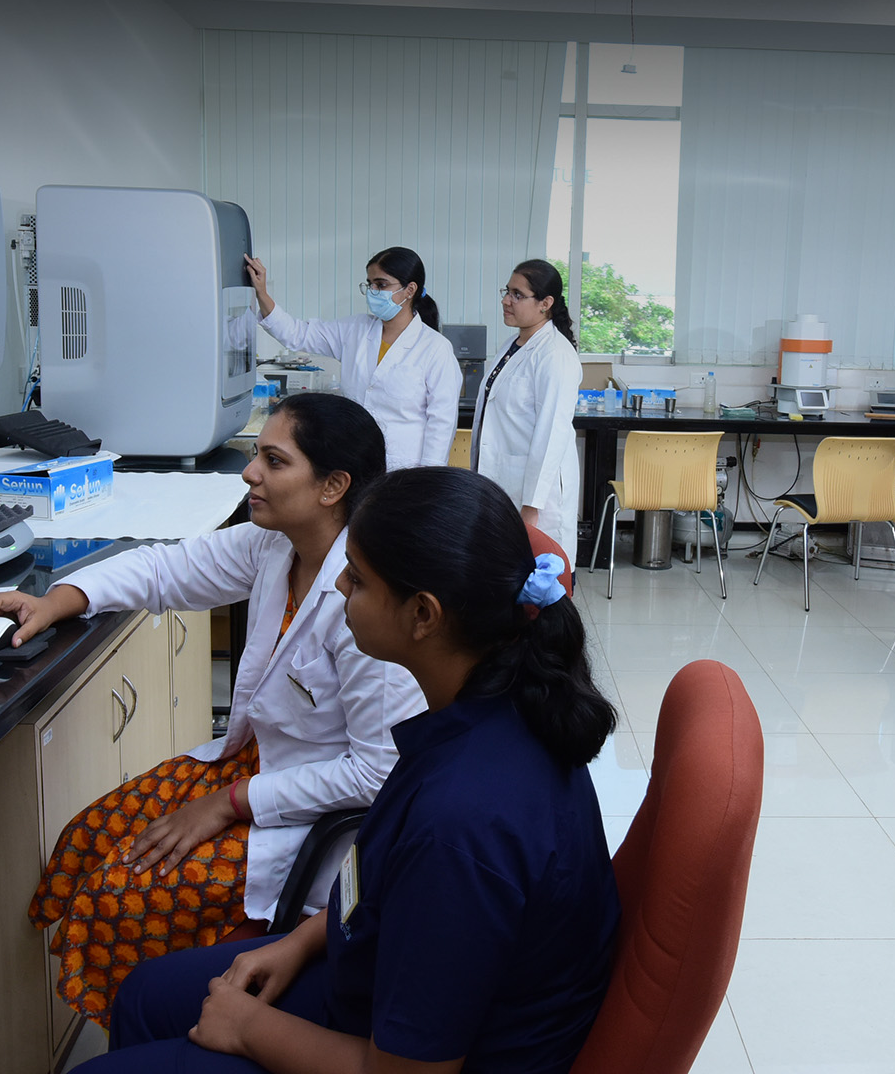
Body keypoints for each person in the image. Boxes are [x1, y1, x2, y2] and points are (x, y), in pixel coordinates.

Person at [78, 467, 621, 1074]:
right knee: (144, 997)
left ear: (423, 615)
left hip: (410, 1055)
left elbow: (404, 1073)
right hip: (379, 971)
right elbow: (382, 882)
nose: (338, 584)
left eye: (357, 579)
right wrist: (300, 941)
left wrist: (249, 1029)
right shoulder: (490, 708)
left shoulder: (461, 826)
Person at [0, 394, 427, 1024]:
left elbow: (378, 774)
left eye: (273, 461)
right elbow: (168, 569)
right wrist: (59, 598)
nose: (249, 473)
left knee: (118, 896)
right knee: (86, 837)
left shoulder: (368, 599)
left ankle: (149, 1026)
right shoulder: (276, 547)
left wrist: (227, 804)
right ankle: (133, 1016)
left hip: (311, 807)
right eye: (256, 455)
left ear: (332, 486)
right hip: (253, 766)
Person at [247, 247, 461, 470]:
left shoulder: (435, 348)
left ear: (410, 290)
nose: (373, 292)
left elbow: (442, 422)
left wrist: (429, 476)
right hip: (354, 458)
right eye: (370, 284)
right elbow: (298, 334)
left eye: (381, 285)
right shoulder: (355, 330)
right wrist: (262, 293)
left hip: (406, 468)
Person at [472, 259, 584, 556]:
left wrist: (532, 506)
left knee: (541, 573)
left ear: (545, 303)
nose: (506, 301)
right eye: (507, 291)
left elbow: (551, 434)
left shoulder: (555, 355)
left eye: (518, 295)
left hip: (535, 498)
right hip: (503, 483)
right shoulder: (513, 345)